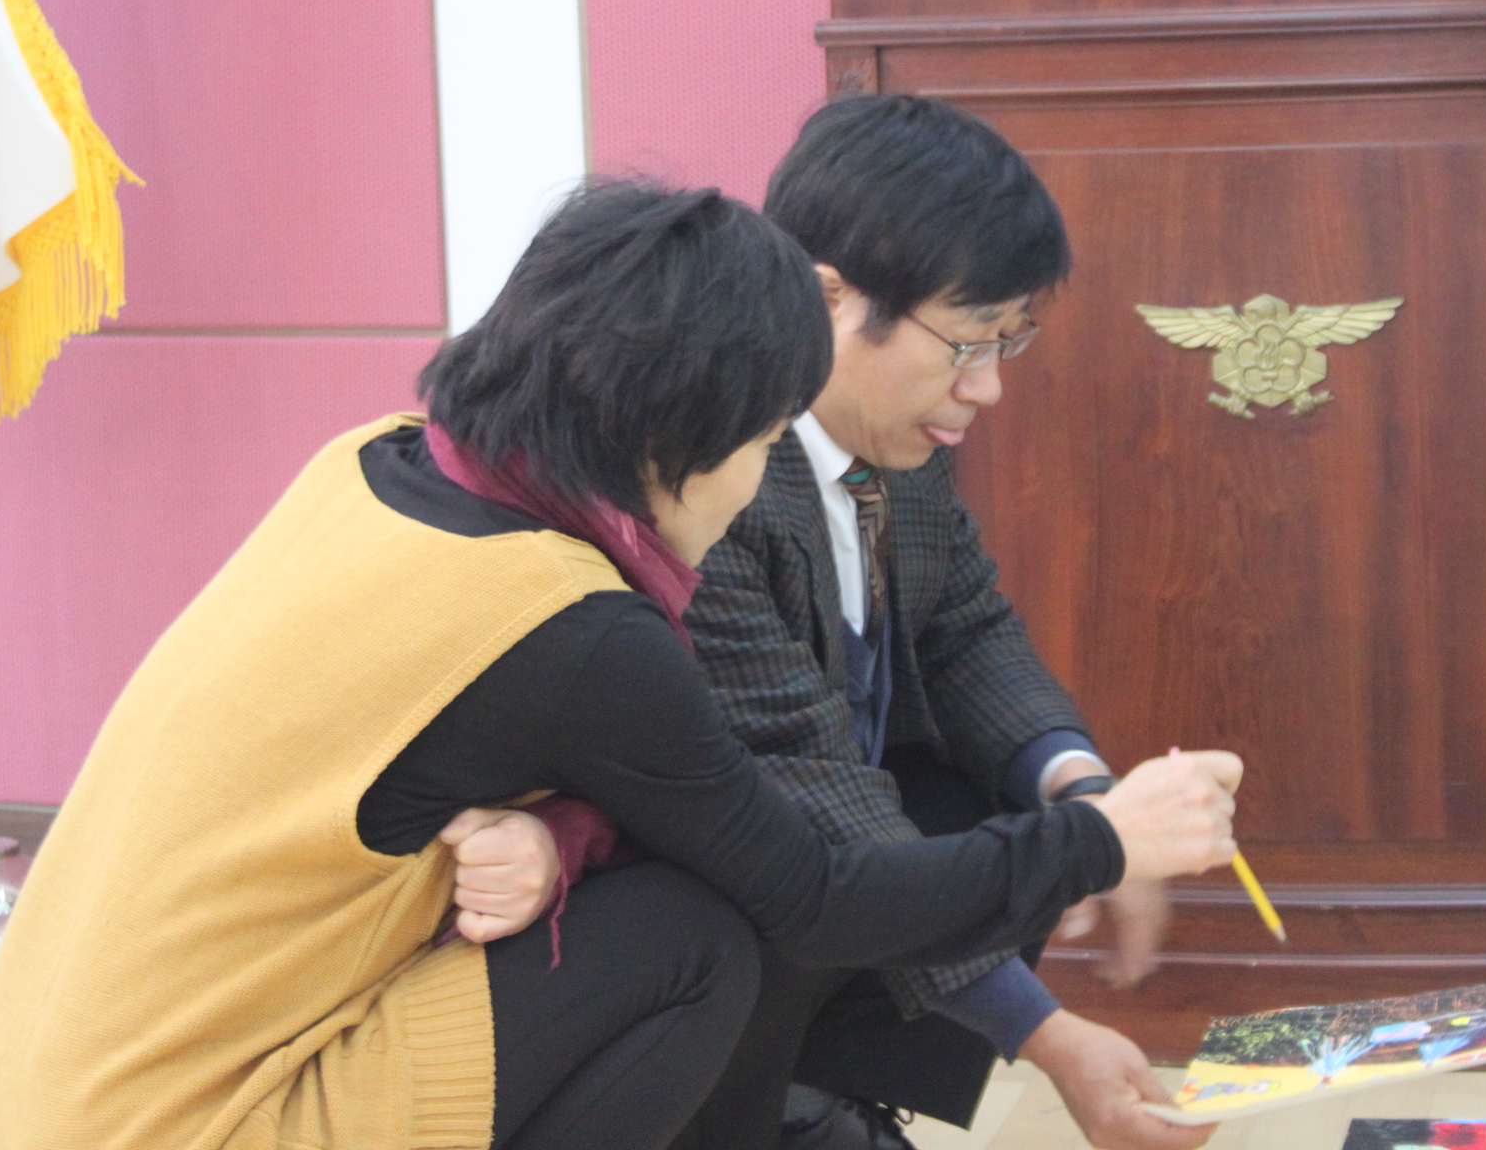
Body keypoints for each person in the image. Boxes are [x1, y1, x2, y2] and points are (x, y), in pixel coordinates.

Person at [0, 180, 1239, 1150]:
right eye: (758, 441)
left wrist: (551, 829)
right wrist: (1101, 839)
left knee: (719, 872)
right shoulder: (569, 620)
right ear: (676, 430)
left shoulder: (376, 460)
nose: (754, 484)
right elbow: (818, 893)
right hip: (199, 1118)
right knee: (700, 937)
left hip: (55, 1086)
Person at [479, 101, 1245, 1150]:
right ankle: (755, 1108)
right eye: (967, 341)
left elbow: (970, 630)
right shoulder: (705, 479)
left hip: (797, 867)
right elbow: (815, 808)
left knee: (997, 791)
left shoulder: (898, 440)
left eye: (1008, 340)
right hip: (670, 903)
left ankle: (817, 1087)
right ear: (826, 296)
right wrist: (1054, 1032)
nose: (989, 385)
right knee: (866, 863)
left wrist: (1082, 788)